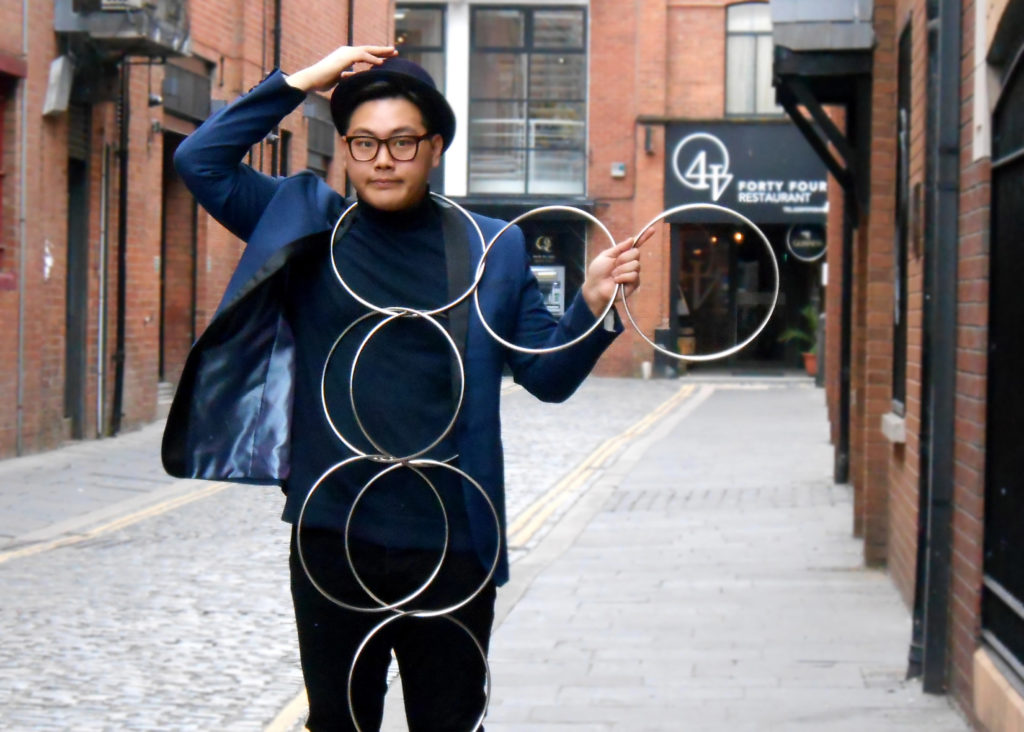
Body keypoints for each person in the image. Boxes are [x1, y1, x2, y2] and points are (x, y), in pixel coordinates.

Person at [162, 45, 649, 731]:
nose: (382, 160)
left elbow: (547, 378)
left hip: (453, 541)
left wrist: (592, 306)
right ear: (346, 150)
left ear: (435, 147)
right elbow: (200, 160)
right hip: (333, 531)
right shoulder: (309, 226)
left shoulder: (491, 247)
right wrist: (303, 82)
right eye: (363, 142)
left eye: (401, 142)